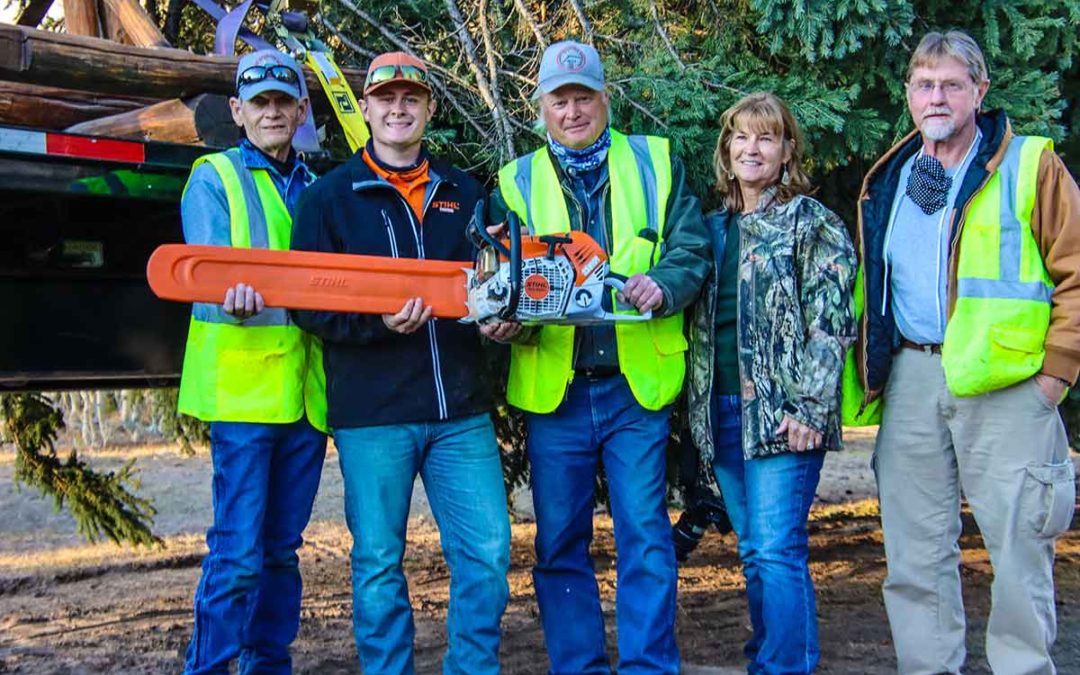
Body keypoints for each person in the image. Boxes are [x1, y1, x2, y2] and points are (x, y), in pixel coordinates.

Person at [845, 30, 1080, 674]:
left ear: (980, 91)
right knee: (914, 559)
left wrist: (1055, 376)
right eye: (925, 85)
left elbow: (1076, 271)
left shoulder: (1028, 165)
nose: (937, 97)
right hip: (913, 379)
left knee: (1020, 551)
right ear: (909, 94)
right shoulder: (893, 175)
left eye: (952, 84)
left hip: (1009, 386)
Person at [484, 40, 711, 674]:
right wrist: (504, 320)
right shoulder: (514, 182)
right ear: (541, 108)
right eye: (560, 100)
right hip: (555, 392)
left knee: (645, 539)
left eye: (584, 97)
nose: (573, 111)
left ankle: (648, 667)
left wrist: (663, 283)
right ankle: (578, 666)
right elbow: (498, 277)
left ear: (605, 99)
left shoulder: (655, 162)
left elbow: (691, 248)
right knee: (559, 545)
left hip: (634, 389)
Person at [289, 51, 510, 675]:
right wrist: (376, 325)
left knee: (487, 555)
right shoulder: (330, 198)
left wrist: (502, 318)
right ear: (365, 109)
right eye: (385, 98)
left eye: (411, 97)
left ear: (429, 109)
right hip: (374, 416)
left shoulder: (466, 192)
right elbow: (307, 305)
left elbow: (498, 282)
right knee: (379, 564)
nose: (398, 108)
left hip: (459, 412)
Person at [686, 92, 856, 674]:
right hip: (722, 412)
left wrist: (811, 407)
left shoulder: (812, 223)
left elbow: (832, 323)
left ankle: (784, 666)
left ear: (787, 151)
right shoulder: (710, 231)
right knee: (754, 552)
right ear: (726, 150)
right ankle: (770, 658)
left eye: (766, 137)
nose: (752, 148)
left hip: (785, 415)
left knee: (777, 549)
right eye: (741, 136)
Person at [177, 49, 328, 674]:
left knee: (281, 552)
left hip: (303, 395)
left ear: (301, 111)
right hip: (243, 396)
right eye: (259, 102)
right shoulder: (214, 176)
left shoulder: (318, 188)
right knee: (238, 554)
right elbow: (208, 272)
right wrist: (228, 293)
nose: (271, 113)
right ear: (237, 111)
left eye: (282, 102)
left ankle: (266, 666)